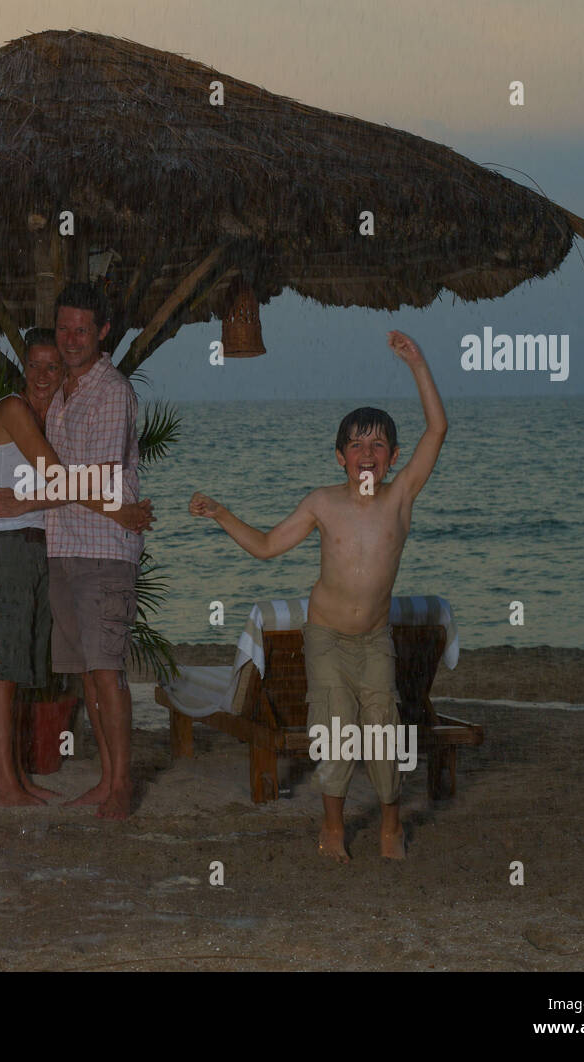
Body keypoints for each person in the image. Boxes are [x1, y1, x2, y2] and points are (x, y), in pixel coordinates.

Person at [189, 330, 447, 860]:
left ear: (394, 457)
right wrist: (221, 513)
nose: (367, 454)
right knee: (334, 731)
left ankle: (390, 826)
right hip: (326, 638)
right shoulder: (322, 503)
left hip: (374, 640)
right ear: (339, 457)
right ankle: (332, 827)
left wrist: (418, 364)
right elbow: (266, 547)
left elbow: (437, 428)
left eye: (378, 445)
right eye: (356, 445)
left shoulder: (401, 497)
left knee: (383, 733)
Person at [0, 328, 151, 806]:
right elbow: (58, 479)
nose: (43, 374)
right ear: (22, 367)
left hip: (37, 548)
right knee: (3, 672)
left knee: (18, 668)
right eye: (34, 365)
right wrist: (118, 511)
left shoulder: (49, 417)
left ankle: (18, 779)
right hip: (6, 548)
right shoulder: (15, 409)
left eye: (53, 366)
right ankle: (5, 786)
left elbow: (66, 479)